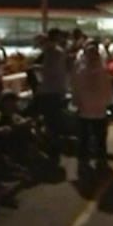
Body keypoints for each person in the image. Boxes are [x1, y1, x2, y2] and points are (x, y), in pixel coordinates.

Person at [72, 44, 113, 168]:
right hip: (99, 109)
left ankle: (84, 158)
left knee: (84, 135)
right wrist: (109, 102)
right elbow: (108, 89)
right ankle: (100, 157)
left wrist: (76, 102)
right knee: (99, 136)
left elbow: (76, 88)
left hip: (85, 109)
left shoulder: (81, 70)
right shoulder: (102, 70)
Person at [34, 29, 69, 163]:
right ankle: (54, 149)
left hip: (49, 91)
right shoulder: (57, 51)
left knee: (50, 122)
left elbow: (48, 71)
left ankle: (52, 150)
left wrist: (38, 68)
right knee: (54, 122)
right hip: (57, 90)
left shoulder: (51, 52)